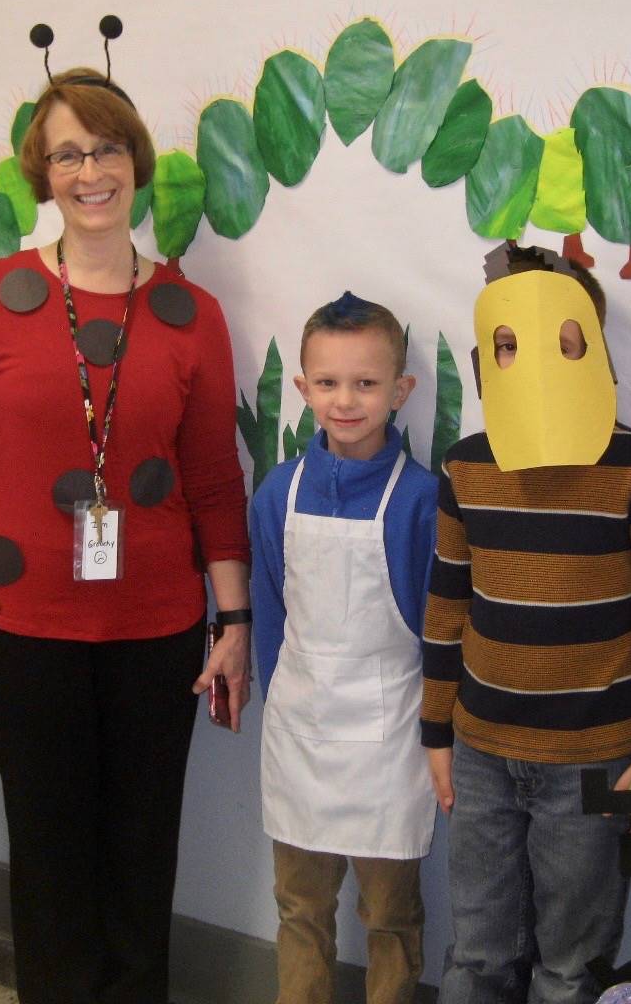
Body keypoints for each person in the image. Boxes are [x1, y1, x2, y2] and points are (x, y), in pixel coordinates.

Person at [0, 62, 250, 1004]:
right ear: (42, 175)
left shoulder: (192, 315)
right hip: (19, 628)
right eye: (66, 154)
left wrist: (236, 623)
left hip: (158, 630)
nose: (89, 170)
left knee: (142, 860)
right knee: (50, 864)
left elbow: (215, 478)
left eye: (104, 148)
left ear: (135, 162)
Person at [422, 242, 631, 1004]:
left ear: (592, 346)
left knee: (570, 967)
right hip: (481, 752)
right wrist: (437, 733)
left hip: (594, 763)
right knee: (474, 955)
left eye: (560, 342)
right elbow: (447, 606)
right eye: (506, 345)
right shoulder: (465, 467)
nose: (531, 361)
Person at [251, 292, 439, 1004]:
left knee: (390, 915)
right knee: (300, 909)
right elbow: (271, 610)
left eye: (366, 383)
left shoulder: (421, 499)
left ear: (401, 391)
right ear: (301, 389)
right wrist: (288, 701)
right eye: (327, 383)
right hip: (301, 733)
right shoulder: (277, 492)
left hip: (391, 740)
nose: (346, 400)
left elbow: (435, 629)